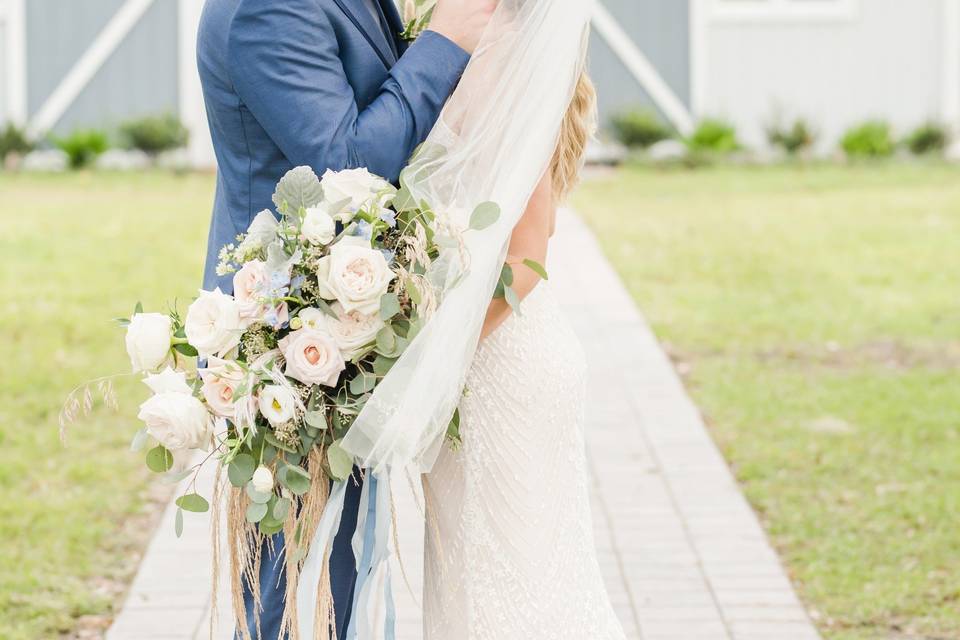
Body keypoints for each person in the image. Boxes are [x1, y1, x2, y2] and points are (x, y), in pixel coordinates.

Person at [195, 0, 494, 637]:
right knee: (300, 596)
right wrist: (446, 39)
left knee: (345, 580)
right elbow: (349, 160)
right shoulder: (265, 11)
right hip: (288, 346)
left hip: (344, 326)